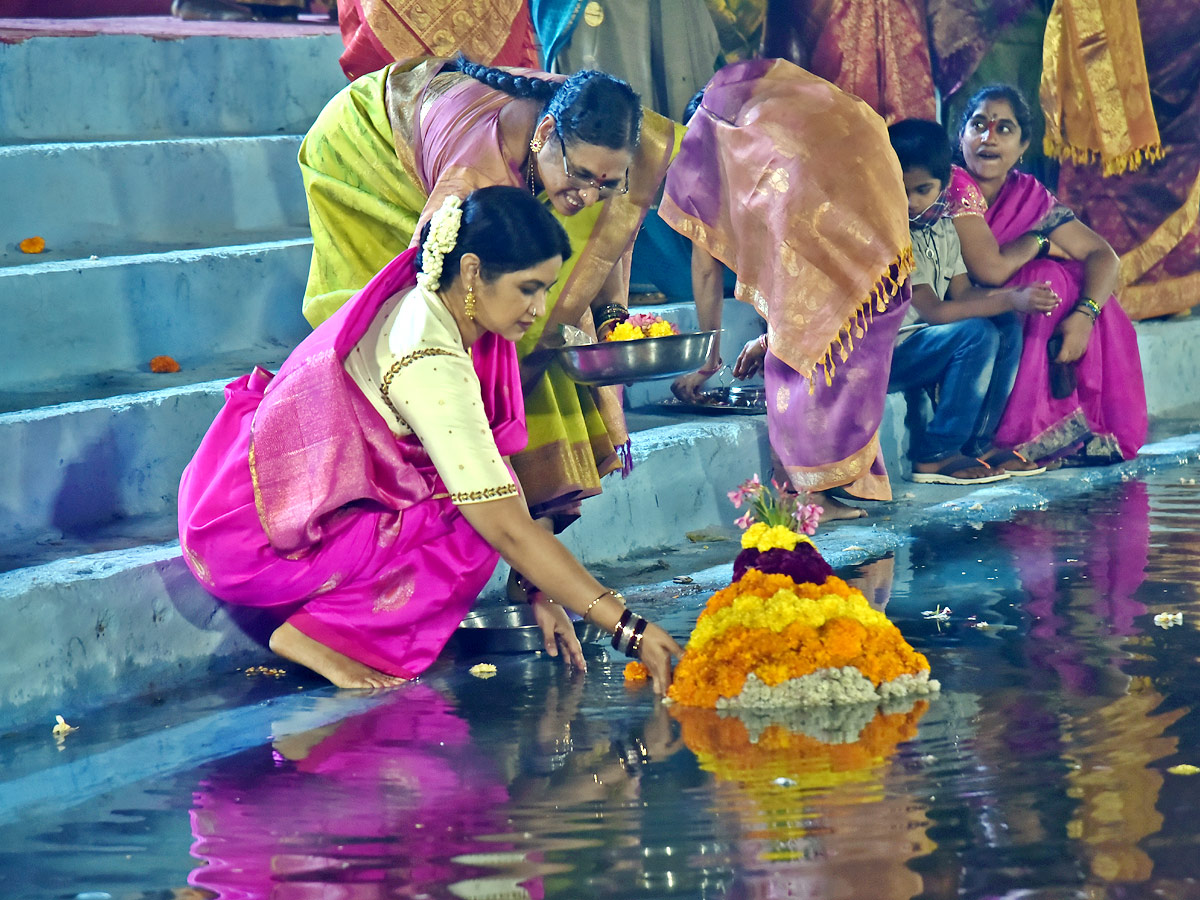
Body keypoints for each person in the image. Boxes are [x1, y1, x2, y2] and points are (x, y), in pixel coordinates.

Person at [178, 187, 682, 693]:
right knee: (469, 525)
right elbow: (505, 525)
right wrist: (629, 630)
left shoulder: (433, 299)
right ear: (470, 271)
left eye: (546, 288)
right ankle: (326, 638)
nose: (538, 308)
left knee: (484, 487)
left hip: (279, 494)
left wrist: (540, 589)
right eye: (528, 288)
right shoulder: (428, 357)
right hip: (259, 534)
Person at [298, 55, 680, 602]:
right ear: (546, 133)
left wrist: (614, 318)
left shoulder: (595, 136)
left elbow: (607, 237)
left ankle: (533, 567)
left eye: (606, 183)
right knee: (417, 340)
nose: (588, 197)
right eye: (581, 179)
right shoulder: (468, 186)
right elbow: (427, 308)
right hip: (365, 148)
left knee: (546, 332)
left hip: (459, 144)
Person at [661, 58, 913, 521]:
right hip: (882, 235)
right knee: (847, 347)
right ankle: (845, 485)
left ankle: (808, 498)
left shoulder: (713, 141)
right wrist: (768, 337)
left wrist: (708, 359)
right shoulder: (794, 131)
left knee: (799, 359)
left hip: (848, 236)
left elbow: (705, 267)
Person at [947, 84, 1147, 466]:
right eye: (978, 125)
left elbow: (1104, 256)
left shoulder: (1028, 195)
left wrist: (1085, 315)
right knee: (1046, 275)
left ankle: (1054, 431)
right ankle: (1019, 435)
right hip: (963, 305)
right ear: (962, 137)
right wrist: (1039, 240)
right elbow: (990, 269)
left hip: (1013, 310)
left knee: (1069, 279)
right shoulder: (954, 185)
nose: (988, 138)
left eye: (1004, 129)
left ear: (1023, 146)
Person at [886, 118, 1057, 484]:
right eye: (897, 190)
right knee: (977, 333)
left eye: (921, 189)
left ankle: (978, 445)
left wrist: (1011, 301)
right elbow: (934, 311)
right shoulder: (891, 234)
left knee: (1006, 326)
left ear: (946, 185)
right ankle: (936, 453)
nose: (909, 202)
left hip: (924, 342)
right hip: (889, 352)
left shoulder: (943, 227)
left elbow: (963, 292)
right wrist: (1011, 297)